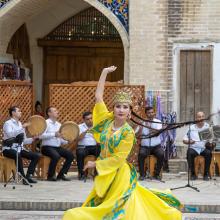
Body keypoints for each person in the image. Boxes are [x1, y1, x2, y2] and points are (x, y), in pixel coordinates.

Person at [62, 66, 182, 220]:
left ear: (129, 113)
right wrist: (104, 73)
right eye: (118, 106)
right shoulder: (106, 122)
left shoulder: (128, 133)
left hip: (119, 174)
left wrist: (95, 164)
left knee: (117, 211)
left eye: (125, 107)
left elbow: (119, 159)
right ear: (113, 109)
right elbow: (98, 97)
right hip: (105, 174)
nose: (121, 109)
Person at [2, 106, 41, 185]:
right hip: (8, 149)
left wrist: (33, 139)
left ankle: (28, 176)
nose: (21, 112)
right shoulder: (8, 123)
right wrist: (22, 127)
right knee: (17, 154)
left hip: (19, 148)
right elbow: (10, 135)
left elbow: (23, 140)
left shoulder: (20, 124)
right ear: (13, 113)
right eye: (19, 111)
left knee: (36, 156)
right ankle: (22, 177)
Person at [40, 107, 74, 181]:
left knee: (70, 155)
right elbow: (41, 136)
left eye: (57, 110)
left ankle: (61, 174)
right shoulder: (45, 123)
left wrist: (67, 141)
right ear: (49, 113)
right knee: (56, 156)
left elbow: (60, 139)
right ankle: (50, 176)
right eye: (55, 111)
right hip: (46, 147)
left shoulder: (59, 124)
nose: (57, 112)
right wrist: (53, 134)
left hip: (57, 147)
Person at [183, 111, 212, 181]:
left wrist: (210, 142)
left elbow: (211, 140)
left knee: (208, 153)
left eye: (202, 116)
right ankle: (193, 174)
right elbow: (184, 140)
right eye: (199, 117)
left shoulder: (207, 127)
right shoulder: (191, 127)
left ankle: (205, 174)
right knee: (189, 152)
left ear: (204, 118)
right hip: (194, 148)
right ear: (196, 118)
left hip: (203, 148)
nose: (201, 118)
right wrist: (190, 141)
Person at [137, 106, 164, 180]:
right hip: (145, 146)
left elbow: (157, 132)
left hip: (156, 146)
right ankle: (142, 174)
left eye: (152, 112)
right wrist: (140, 127)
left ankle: (156, 174)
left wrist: (150, 128)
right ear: (146, 114)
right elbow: (136, 133)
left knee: (161, 154)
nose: (151, 114)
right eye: (149, 113)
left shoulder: (158, 122)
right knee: (141, 154)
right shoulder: (142, 123)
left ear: (154, 113)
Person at [76, 111, 100, 180]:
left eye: (91, 118)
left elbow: (100, 139)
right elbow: (78, 139)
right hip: (83, 147)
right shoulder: (80, 127)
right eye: (88, 119)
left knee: (101, 151)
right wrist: (86, 131)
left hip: (94, 147)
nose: (90, 120)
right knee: (80, 153)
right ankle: (81, 174)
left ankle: (97, 172)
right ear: (84, 120)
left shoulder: (96, 126)